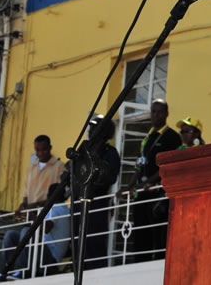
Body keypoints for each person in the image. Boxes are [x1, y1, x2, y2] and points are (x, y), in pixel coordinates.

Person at [126, 98, 181, 262]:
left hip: (157, 193)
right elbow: (139, 163)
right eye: (153, 111)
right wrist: (130, 186)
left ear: (166, 114)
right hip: (141, 194)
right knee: (140, 233)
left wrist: (146, 183)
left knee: (156, 233)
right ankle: (138, 263)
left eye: (160, 112)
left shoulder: (172, 136)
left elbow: (166, 166)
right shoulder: (148, 137)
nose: (156, 115)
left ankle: (155, 262)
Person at [73, 115, 121, 270]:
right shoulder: (83, 150)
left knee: (94, 243)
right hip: (78, 202)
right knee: (76, 243)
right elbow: (72, 172)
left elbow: (110, 178)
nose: (90, 130)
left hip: (96, 203)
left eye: (94, 127)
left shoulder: (110, 153)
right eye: (90, 127)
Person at [1, 183, 70, 278]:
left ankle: (23, 271)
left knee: (26, 231)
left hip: (51, 258)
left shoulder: (58, 208)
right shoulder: (60, 208)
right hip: (44, 252)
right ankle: (7, 271)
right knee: (11, 235)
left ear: (49, 196)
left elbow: (46, 228)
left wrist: (33, 217)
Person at [16, 135, 66, 216]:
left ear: (50, 147)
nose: (41, 153)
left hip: (48, 214)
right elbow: (26, 193)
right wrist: (23, 205)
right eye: (37, 150)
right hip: (31, 214)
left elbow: (61, 193)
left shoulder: (59, 167)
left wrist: (37, 205)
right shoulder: (31, 169)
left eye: (44, 149)